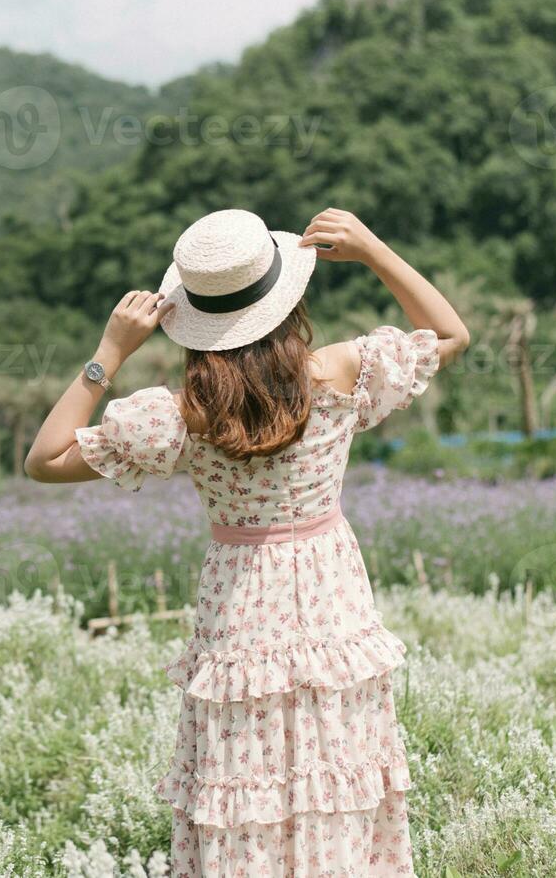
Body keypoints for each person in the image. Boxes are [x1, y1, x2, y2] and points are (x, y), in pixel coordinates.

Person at [25, 207, 468, 876]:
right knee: (334, 774)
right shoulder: (341, 373)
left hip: (239, 612)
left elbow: (44, 460)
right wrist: (375, 250)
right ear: (285, 301)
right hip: (332, 605)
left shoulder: (178, 415)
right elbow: (451, 333)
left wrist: (108, 353)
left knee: (244, 788)